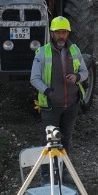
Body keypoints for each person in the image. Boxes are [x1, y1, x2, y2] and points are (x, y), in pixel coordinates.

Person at [30, 16, 88, 150]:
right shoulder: (42, 52)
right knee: (48, 142)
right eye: (58, 32)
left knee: (66, 140)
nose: (61, 36)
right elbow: (34, 78)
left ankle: (63, 169)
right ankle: (47, 171)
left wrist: (77, 77)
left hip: (72, 105)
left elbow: (85, 72)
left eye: (64, 32)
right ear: (51, 33)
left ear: (68, 33)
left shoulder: (75, 50)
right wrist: (49, 92)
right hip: (51, 106)